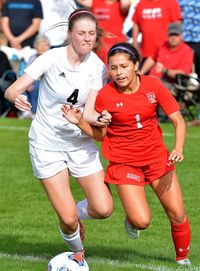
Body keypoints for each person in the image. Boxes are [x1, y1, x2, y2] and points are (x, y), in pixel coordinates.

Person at [61, 42, 191, 266]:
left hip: (157, 158)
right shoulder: (105, 95)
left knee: (178, 214)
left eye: (123, 66)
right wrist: (79, 121)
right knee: (141, 221)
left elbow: (178, 121)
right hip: (124, 163)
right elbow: (100, 135)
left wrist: (177, 148)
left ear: (136, 65)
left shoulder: (154, 85)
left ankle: (182, 260)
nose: (119, 73)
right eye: (113, 68)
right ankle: (132, 220)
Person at [4, 8, 113, 268]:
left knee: (103, 208)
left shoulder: (97, 66)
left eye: (91, 33)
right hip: (47, 145)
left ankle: (70, 213)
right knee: (67, 219)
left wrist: (102, 118)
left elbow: (89, 111)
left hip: (80, 145)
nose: (87, 38)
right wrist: (16, 98)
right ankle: (78, 257)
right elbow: (12, 89)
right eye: (81, 33)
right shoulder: (51, 58)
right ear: (70, 35)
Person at [139, 23, 194, 98]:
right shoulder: (162, 45)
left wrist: (165, 70)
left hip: (169, 84)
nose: (173, 37)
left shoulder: (187, 51)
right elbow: (152, 58)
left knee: (149, 91)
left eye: (176, 35)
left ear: (181, 36)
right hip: (152, 80)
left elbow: (182, 74)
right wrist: (141, 72)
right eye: (171, 35)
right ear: (168, 35)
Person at [76, 0, 131, 65]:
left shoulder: (120, 5)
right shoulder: (96, 2)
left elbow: (126, 3)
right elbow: (82, 1)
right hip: (98, 47)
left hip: (115, 47)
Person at [19, 34, 51, 119]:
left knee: (36, 86)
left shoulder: (51, 57)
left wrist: (31, 82)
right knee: (20, 87)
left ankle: (34, 111)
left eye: (44, 45)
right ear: (35, 46)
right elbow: (26, 71)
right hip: (31, 80)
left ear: (48, 46)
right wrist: (27, 83)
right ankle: (26, 111)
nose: (42, 47)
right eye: (39, 45)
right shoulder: (32, 57)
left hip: (44, 81)